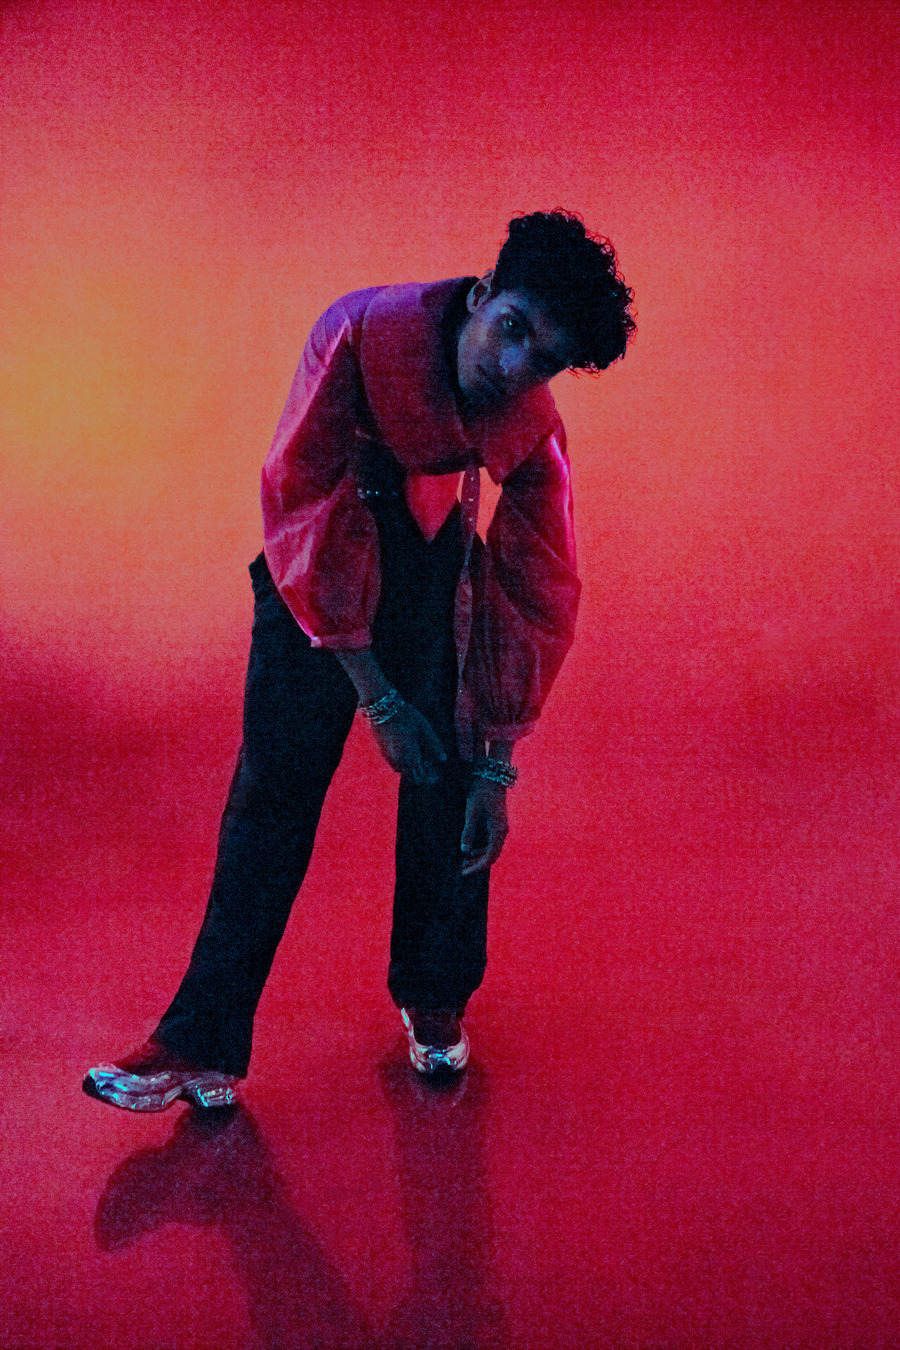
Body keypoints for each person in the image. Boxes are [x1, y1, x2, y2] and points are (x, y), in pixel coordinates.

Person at [84, 211, 635, 1111]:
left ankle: (435, 994)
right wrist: (377, 698)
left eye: (544, 360)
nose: (514, 365)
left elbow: (538, 587)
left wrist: (497, 764)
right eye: (512, 329)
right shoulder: (358, 332)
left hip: (432, 566)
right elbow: (299, 494)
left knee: (453, 777)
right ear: (481, 295)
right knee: (274, 791)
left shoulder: (533, 429)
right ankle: (199, 1046)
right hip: (311, 569)